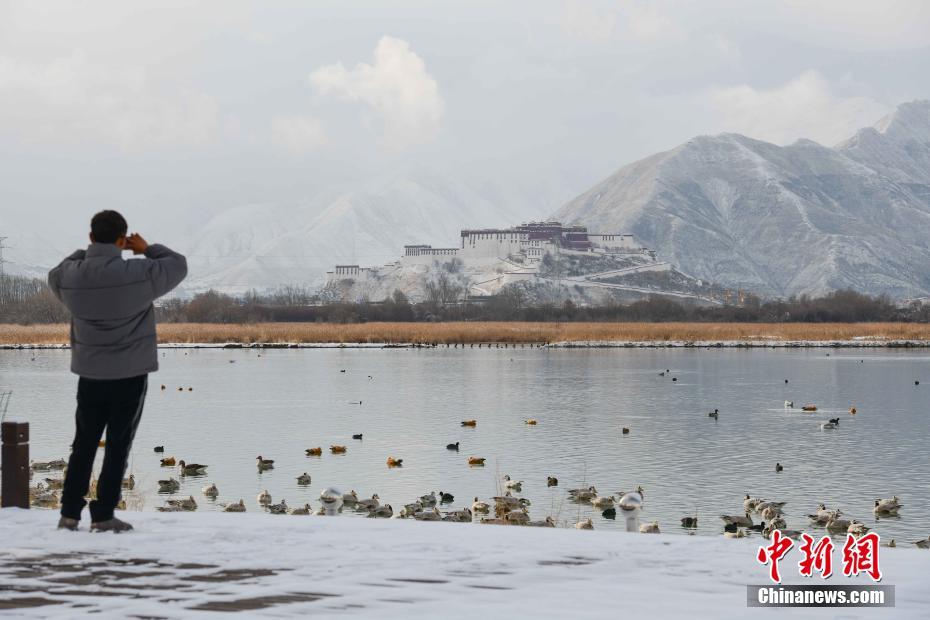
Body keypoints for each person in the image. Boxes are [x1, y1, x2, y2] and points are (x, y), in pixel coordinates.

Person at [48, 210, 187, 532]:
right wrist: (145, 248)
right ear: (123, 239)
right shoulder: (139, 273)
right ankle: (103, 515)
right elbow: (177, 264)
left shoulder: (73, 275)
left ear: (91, 236)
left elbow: (56, 272)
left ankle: (69, 513)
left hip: (90, 374)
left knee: (83, 443)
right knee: (117, 445)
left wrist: (91, 253)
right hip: (129, 374)